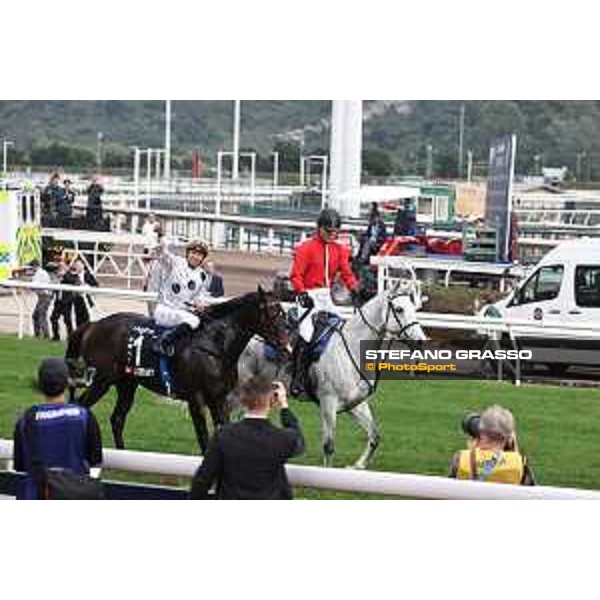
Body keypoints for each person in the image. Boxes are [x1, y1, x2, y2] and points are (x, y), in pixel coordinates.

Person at [190, 377, 304, 500]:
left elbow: (202, 481)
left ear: (243, 401)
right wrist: (284, 406)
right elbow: (300, 442)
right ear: (272, 400)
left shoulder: (223, 435)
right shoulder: (282, 438)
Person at [288, 207, 359, 396]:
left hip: (326, 296)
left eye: (335, 232)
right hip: (308, 296)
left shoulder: (340, 249)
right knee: (307, 333)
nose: (332, 235)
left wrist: (355, 287)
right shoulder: (306, 247)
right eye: (329, 232)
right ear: (319, 228)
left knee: (340, 329)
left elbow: (346, 272)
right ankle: (298, 378)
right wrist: (301, 292)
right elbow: (295, 275)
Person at [12, 357, 103, 499]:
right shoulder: (85, 416)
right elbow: (96, 460)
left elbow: (20, 465)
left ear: (40, 385)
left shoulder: (25, 420)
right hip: (74, 497)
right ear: (67, 383)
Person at [152, 237, 211, 356]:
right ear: (187, 253)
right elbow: (161, 254)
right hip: (165, 310)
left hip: (182, 315)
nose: (195, 257)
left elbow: (200, 297)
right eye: (193, 253)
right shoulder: (175, 262)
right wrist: (161, 242)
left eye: (199, 255)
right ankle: (163, 342)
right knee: (194, 320)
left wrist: (200, 305)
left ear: (203, 258)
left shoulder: (203, 275)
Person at [448, 405, 535, 485]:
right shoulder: (519, 462)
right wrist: (514, 450)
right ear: (509, 438)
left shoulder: (461, 458)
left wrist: (472, 453)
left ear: (480, 431)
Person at [50, 260, 77, 341]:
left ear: (66, 267)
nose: (60, 268)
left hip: (67, 301)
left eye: (62, 266)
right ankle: (56, 336)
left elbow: (72, 281)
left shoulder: (70, 274)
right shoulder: (57, 275)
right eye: (59, 266)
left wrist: (64, 274)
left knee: (67, 320)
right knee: (53, 318)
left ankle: (71, 337)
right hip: (58, 301)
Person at [70, 258, 99, 328]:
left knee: (87, 318)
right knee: (78, 318)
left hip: (87, 300)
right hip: (77, 300)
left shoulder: (88, 275)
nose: (78, 266)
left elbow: (95, 285)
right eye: (76, 265)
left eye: (79, 265)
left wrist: (86, 286)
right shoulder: (72, 275)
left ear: (83, 265)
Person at [30, 260, 53, 339]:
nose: (31, 268)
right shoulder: (39, 273)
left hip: (45, 296)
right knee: (35, 315)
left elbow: (33, 286)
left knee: (41, 315)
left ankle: (46, 335)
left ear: (35, 266)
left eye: (32, 266)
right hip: (43, 297)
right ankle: (38, 334)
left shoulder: (40, 273)